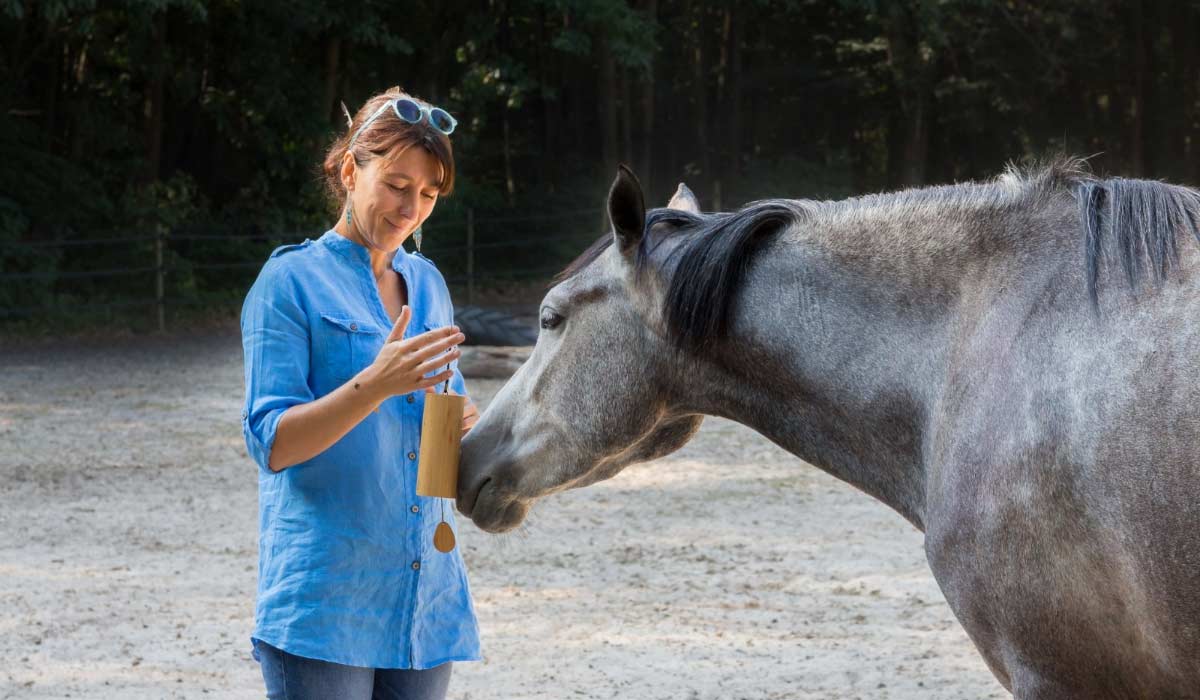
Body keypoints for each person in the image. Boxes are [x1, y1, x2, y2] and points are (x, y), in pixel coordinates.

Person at [239, 87, 482, 699]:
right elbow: (273, 444)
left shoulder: (429, 283)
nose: (411, 208)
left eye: (428, 195)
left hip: (423, 594)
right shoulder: (288, 281)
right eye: (397, 185)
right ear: (351, 170)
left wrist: (458, 430)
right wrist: (375, 385)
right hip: (327, 603)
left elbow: (434, 463)